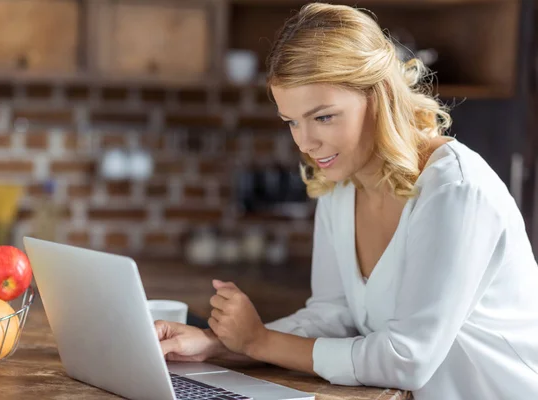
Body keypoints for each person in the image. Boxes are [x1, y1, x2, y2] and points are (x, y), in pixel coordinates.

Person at [155, 3, 538, 399]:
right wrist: (217, 343)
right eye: (292, 121)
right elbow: (331, 317)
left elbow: (407, 360)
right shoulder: (339, 185)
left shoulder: (456, 190)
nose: (305, 142)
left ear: (378, 95)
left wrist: (260, 343)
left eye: (323, 117)